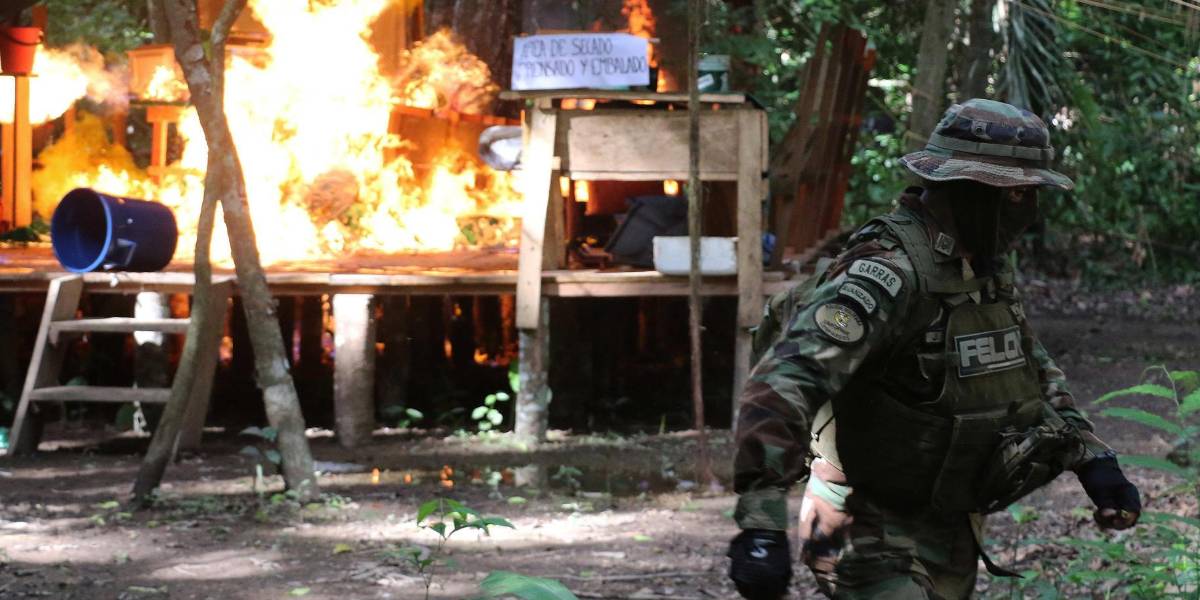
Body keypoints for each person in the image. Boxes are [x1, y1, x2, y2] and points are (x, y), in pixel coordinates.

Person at [726, 99, 1142, 600]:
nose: (1026, 209)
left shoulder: (980, 265)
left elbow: (1026, 363)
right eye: (1015, 195)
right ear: (966, 188)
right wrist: (760, 524)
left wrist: (1092, 459)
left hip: (950, 524)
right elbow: (784, 381)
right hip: (869, 528)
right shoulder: (887, 274)